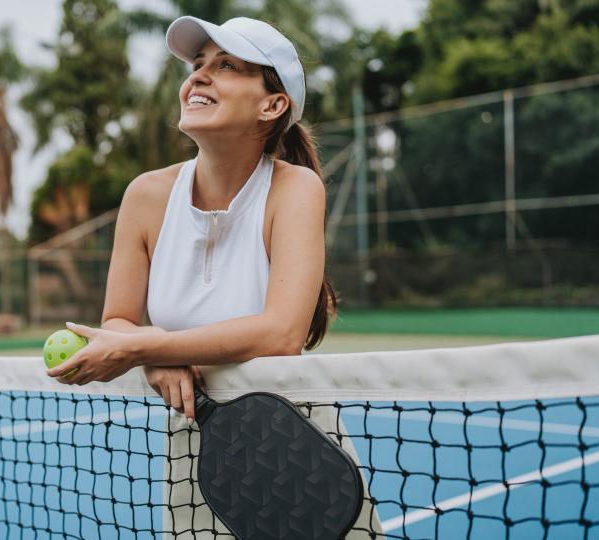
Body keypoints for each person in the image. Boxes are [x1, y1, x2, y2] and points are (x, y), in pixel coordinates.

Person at [46, 15, 381, 538]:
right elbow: (118, 318)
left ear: (273, 105)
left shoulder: (296, 189)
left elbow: (280, 333)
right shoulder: (145, 196)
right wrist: (156, 355)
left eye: (226, 65)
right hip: (192, 437)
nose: (199, 76)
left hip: (291, 431)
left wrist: (149, 348)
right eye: (197, 65)